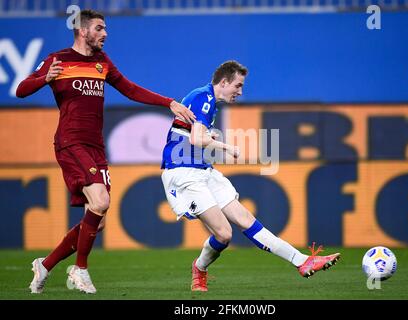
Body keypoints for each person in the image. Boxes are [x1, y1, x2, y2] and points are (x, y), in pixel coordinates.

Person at [16, 9, 196, 294]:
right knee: (99, 202)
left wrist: (169, 103)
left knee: (96, 223)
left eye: (105, 28)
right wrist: (44, 78)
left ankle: (45, 264)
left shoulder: (101, 62)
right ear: (82, 30)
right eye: (99, 28)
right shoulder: (57, 60)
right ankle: (80, 269)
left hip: (96, 146)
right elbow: (21, 90)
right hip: (71, 142)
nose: (105, 34)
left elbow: (130, 89)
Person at [160, 60, 340, 292]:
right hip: (183, 172)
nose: (240, 92)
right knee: (224, 234)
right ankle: (200, 268)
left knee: (245, 219)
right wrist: (226, 146)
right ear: (223, 82)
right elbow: (196, 139)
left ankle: (303, 261)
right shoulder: (203, 97)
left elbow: (193, 137)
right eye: (238, 85)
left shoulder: (210, 102)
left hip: (202, 170)